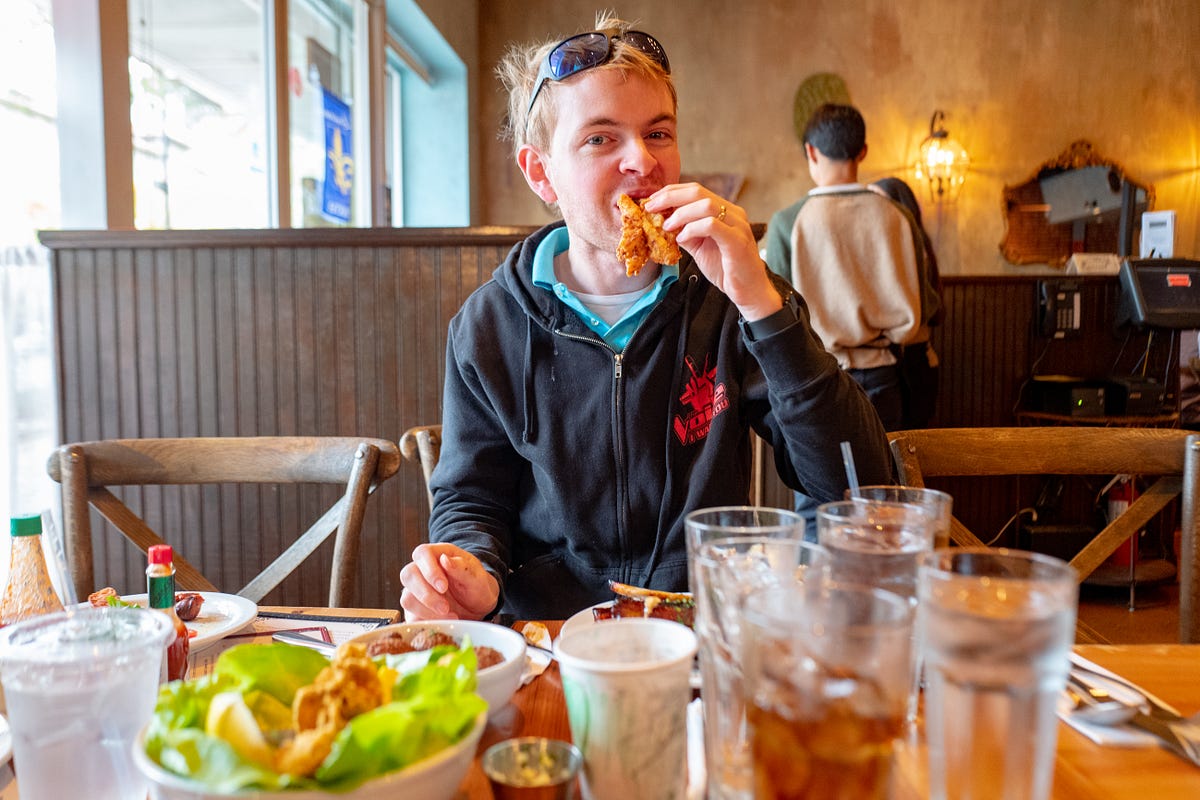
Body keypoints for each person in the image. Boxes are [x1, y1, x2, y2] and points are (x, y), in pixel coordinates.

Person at [398, 14, 892, 622]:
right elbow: (472, 499)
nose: (643, 160)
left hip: (700, 631)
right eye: (601, 138)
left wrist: (761, 305)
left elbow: (859, 485)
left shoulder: (733, 301)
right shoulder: (489, 325)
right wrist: (469, 569)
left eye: (658, 133)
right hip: (545, 638)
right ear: (540, 172)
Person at [764, 104, 943, 432]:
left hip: (817, 378)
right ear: (863, 152)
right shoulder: (898, 217)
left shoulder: (787, 223)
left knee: (819, 484)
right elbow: (927, 303)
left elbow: (775, 316)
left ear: (811, 151)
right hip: (885, 376)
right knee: (884, 483)